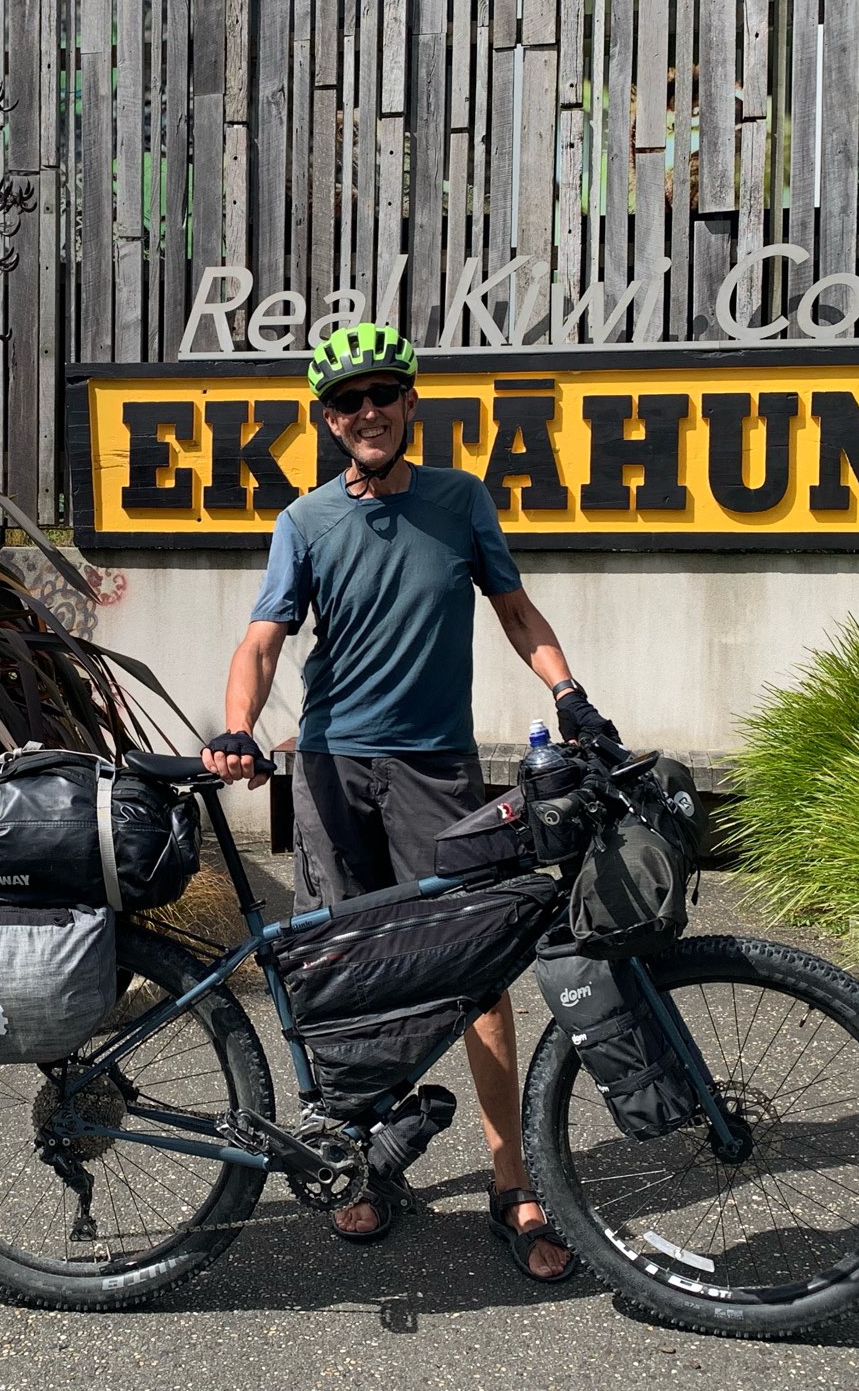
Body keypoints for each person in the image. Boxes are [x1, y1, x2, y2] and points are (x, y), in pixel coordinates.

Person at [199, 322, 617, 1284]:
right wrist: (235, 726)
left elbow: (514, 609)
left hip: (438, 769)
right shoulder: (305, 523)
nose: (367, 411)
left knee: (479, 973)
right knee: (346, 972)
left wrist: (567, 692)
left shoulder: (459, 501)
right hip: (335, 769)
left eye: (382, 392)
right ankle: (366, 1153)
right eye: (346, 401)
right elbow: (263, 639)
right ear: (329, 420)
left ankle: (510, 1179)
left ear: (411, 402)